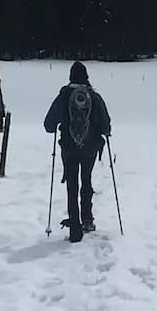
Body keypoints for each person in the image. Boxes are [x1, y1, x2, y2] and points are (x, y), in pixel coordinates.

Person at [43, 60, 112, 242]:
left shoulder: (65, 96)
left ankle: (75, 228)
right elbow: (106, 125)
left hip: (69, 149)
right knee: (86, 182)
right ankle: (87, 220)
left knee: (72, 186)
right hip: (89, 150)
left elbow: (48, 125)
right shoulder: (94, 97)